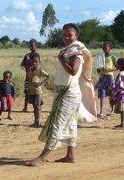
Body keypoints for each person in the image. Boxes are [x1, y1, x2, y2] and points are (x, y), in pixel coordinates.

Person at [28, 23, 92, 167]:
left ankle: (43, 157)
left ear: (77, 35)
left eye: (70, 35)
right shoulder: (69, 50)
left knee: (58, 123)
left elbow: (74, 71)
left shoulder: (76, 51)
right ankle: (70, 155)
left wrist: (61, 59)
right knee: (70, 124)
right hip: (67, 92)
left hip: (69, 93)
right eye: (64, 35)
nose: (66, 37)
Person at [97, 42, 117, 118]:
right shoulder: (101, 57)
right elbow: (98, 70)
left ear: (110, 48)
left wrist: (109, 69)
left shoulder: (113, 57)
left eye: (105, 48)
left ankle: (112, 111)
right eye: (103, 48)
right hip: (102, 76)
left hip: (110, 77)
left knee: (111, 93)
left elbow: (117, 67)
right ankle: (101, 112)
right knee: (101, 93)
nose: (104, 49)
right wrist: (99, 70)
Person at [28, 55, 49, 127]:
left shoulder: (40, 70)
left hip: (37, 91)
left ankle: (38, 122)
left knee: (37, 107)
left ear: (39, 62)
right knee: (34, 107)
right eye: (32, 61)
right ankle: (36, 121)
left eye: (35, 62)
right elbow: (29, 79)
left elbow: (48, 76)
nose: (34, 63)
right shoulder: (30, 69)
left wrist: (40, 83)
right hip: (31, 91)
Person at [21, 39, 40, 112]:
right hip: (27, 77)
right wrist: (28, 61)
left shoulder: (36, 55)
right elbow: (22, 64)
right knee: (27, 92)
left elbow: (36, 64)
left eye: (32, 46)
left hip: (35, 77)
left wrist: (28, 61)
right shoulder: (27, 55)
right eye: (30, 46)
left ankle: (35, 108)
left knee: (35, 93)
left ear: (36, 46)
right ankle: (25, 108)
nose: (31, 47)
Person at [109, 58, 124, 129]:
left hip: (122, 94)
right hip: (122, 93)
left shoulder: (121, 74)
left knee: (122, 110)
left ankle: (122, 125)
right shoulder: (123, 73)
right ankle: (122, 124)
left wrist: (113, 90)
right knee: (122, 110)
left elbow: (119, 85)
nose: (116, 64)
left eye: (118, 63)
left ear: (121, 66)